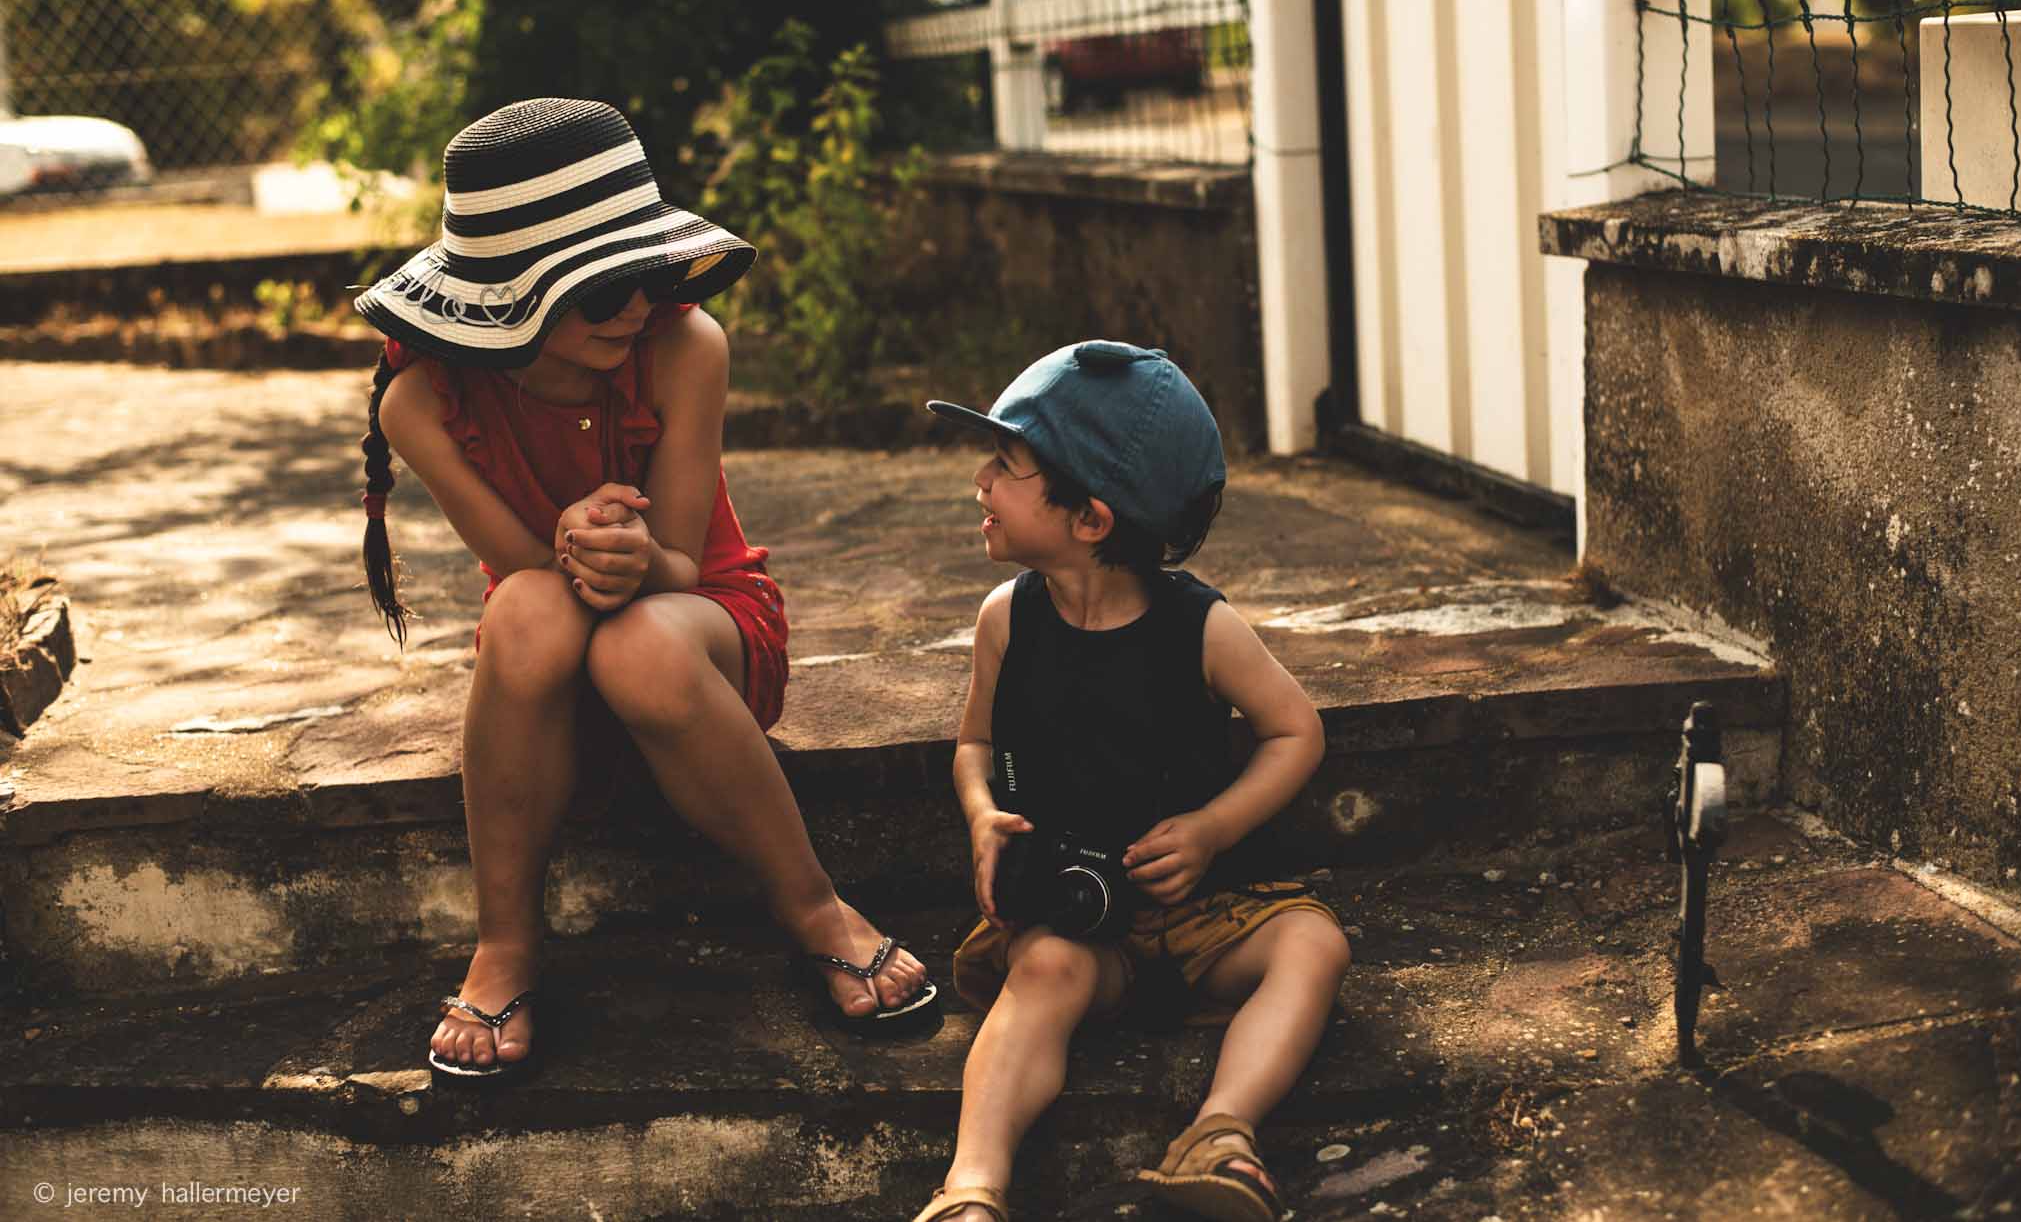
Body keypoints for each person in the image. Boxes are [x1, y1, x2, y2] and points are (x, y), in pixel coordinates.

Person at [352, 98, 936, 1084]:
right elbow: (522, 571)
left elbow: (682, 559)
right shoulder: (422, 401)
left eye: (648, 273)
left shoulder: (683, 345)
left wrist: (628, 558)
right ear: (510, 297)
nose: (634, 304)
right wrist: (574, 544)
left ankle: (812, 904)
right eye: (600, 288)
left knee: (639, 642)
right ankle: (504, 942)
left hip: (698, 633)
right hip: (550, 673)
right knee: (524, 610)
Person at [912, 343, 1351, 1222]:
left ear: (1091, 519)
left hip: (1204, 915)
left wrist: (1214, 829)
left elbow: (1296, 729)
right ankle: (970, 1189)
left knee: (1314, 946)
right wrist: (983, 814)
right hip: (1076, 921)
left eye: (1007, 465)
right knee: (1040, 970)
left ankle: (1221, 1137)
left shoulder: (1202, 627)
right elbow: (972, 742)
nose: (981, 479)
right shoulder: (1007, 620)